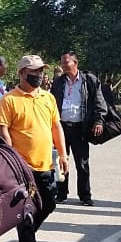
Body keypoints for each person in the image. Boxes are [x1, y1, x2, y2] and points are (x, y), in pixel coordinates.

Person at [0, 55, 68, 242]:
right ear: (21, 73)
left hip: (46, 164)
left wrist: (63, 155)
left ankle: (25, 233)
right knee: (27, 209)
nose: (39, 75)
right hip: (22, 168)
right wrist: (12, 159)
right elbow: (2, 130)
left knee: (48, 205)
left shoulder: (48, 98)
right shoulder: (9, 100)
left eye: (40, 71)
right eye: (34, 71)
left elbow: (56, 127)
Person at [48, 52, 107, 206]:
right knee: (60, 160)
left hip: (80, 127)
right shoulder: (58, 82)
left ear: (75, 63)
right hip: (61, 127)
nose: (63, 65)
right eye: (62, 62)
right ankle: (61, 193)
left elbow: (99, 102)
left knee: (82, 163)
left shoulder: (89, 81)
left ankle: (85, 195)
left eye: (66, 62)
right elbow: (51, 103)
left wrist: (99, 121)